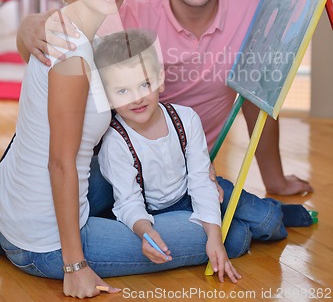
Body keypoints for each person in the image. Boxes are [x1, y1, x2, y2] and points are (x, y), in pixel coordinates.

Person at [16, 0, 313, 196]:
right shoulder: (127, 13)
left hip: (187, 171)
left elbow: (257, 98)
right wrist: (27, 28)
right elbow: (60, 50)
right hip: (119, 168)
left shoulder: (250, 10)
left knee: (249, 225)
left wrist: (275, 181)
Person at [0, 0, 211, 300]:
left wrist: (28, 26)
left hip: (17, 207)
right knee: (224, 234)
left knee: (180, 188)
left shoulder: (69, 25)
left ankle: (204, 193)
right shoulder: (73, 52)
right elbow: (60, 162)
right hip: (43, 242)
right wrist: (75, 266)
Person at [93, 29, 314, 282]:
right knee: (236, 239)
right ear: (107, 97)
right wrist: (145, 232)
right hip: (162, 214)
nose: (137, 98)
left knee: (268, 220)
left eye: (145, 84)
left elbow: (200, 179)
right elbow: (127, 201)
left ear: (160, 80)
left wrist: (212, 233)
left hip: (198, 190)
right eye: (122, 91)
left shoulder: (185, 118)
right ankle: (239, 224)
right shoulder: (114, 143)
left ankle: (281, 212)